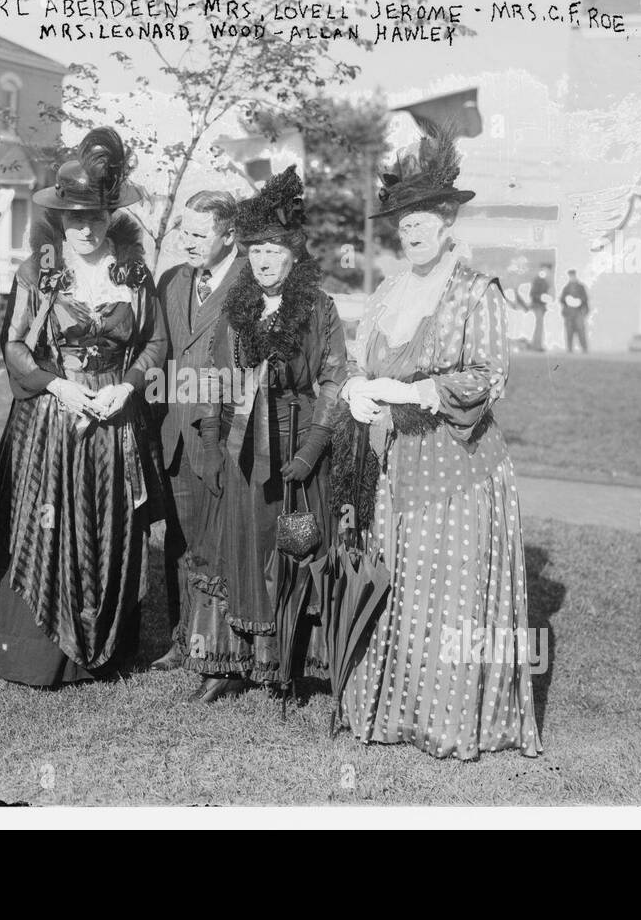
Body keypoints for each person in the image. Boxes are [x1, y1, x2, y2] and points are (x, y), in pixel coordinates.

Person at [337, 130, 541, 758]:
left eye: (425, 216)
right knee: (402, 583)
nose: (413, 229)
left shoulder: (476, 292)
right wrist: (355, 391)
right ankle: (394, 712)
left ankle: (448, 722)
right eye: (404, 219)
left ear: (449, 220)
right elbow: (356, 362)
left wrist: (409, 393)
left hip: (461, 465)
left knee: (448, 593)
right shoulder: (389, 292)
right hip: (396, 461)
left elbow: (485, 379)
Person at [0, 127, 167, 688]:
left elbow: (155, 342)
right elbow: (12, 343)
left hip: (114, 419)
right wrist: (56, 386)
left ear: (111, 216)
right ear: (59, 218)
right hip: (53, 419)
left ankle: (104, 647)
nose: (83, 229)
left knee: (109, 523)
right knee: (46, 522)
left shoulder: (134, 273)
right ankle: (37, 652)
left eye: (95, 218)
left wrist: (128, 386)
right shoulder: (40, 269)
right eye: (73, 218)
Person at [183, 167, 347, 704]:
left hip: (295, 448)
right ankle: (231, 665)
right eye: (256, 252)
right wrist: (210, 438)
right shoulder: (238, 308)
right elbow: (215, 377)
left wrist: (313, 447)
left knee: (289, 551)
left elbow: (332, 380)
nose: (264, 261)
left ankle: (289, 664)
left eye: (274, 251)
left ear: (294, 254)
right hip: (239, 449)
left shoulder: (319, 310)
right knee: (237, 552)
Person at [150, 190, 243, 672]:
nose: (186, 241)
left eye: (198, 233)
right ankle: (181, 639)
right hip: (174, 434)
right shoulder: (170, 280)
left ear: (229, 236)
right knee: (180, 541)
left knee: (220, 543)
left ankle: (222, 644)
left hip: (224, 437)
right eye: (182, 230)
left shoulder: (252, 284)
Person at [560, 267, 590, 352]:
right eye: (570, 276)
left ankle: (584, 348)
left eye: (573, 275)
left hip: (578, 312)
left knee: (581, 331)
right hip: (569, 313)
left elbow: (585, 298)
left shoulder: (580, 287)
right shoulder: (566, 288)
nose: (572, 277)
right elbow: (562, 299)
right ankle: (569, 349)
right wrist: (567, 300)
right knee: (569, 332)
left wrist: (579, 302)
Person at [527, 263, 552, 351]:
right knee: (539, 326)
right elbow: (533, 294)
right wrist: (541, 297)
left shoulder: (544, 281)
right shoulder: (537, 280)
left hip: (541, 306)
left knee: (540, 326)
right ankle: (536, 345)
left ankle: (537, 345)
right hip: (537, 306)